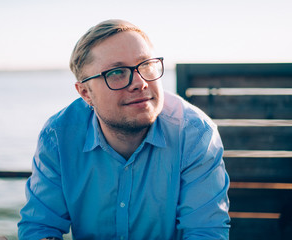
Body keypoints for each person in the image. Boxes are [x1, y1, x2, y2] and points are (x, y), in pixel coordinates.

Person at [18, 19, 230, 240]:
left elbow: (206, 233)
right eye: (116, 72)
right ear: (85, 93)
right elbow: (40, 226)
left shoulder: (195, 134)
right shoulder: (58, 137)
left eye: (146, 64)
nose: (140, 82)